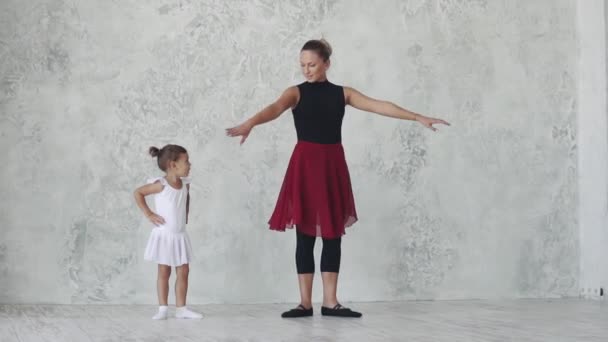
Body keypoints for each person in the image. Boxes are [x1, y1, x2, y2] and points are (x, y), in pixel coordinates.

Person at [226, 39, 450, 318]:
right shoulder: (295, 92)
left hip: (332, 165)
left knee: (333, 234)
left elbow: (378, 105)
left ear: (326, 64)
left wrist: (417, 117)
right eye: (303, 65)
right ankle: (304, 303)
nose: (306, 70)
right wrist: (251, 123)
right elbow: (275, 107)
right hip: (305, 166)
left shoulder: (342, 93)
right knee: (305, 234)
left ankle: (330, 302)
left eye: (312, 64)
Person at [133, 144, 203, 320]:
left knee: (184, 270)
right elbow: (138, 193)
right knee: (164, 271)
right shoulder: (161, 185)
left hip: (179, 235)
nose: (190, 164)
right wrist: (149, 213)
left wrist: (185, 216)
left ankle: (181, 308)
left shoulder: (185, 183)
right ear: (173, 165)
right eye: (186, 161)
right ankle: (163, 308)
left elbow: (186, 200)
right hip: (165, 235)